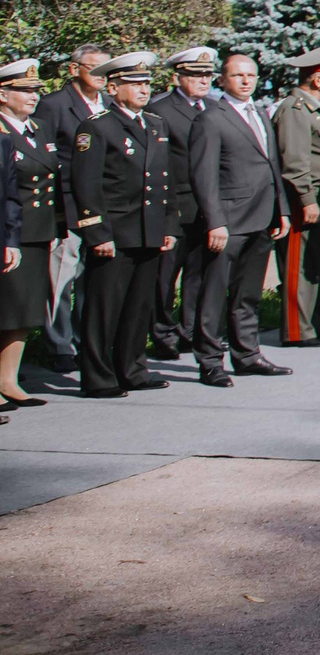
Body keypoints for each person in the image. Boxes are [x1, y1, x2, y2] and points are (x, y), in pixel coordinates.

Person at [66, 51, 178, 398]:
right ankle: (98, 377)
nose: (144, 89)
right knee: (103, 309)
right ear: (113, 88)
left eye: (146, 83)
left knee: (138, 306)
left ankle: (132, 369)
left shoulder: (156, 124)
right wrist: (96, 232)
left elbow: (165, 180)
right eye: (135, 83)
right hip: (114, 233)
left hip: (148, 230)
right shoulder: (97, 127)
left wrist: (169, 226)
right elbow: (86, 184)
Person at [190, 52, 292, 387]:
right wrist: (214, 221)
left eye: (251, 75)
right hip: (229, 222)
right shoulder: (211, 118)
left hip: (262, 217)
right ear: (223, 80)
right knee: (214, 294)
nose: (246, 81)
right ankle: (210, 362)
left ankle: (247, 355)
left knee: (247, 294)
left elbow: (271, 164)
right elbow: (204, 176)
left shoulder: (260, 113)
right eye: (238, 76)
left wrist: (282, 210)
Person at [31, 43, 108, 367]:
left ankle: (86, 342)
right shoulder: (54, 105)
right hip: (67, 207)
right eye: (95, 69)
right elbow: (44, 158)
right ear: (75, 69)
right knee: (61, 278)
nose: (102, 76)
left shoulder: (109, 104)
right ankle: (59, 346)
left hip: (104, 208)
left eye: (107, 70)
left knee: (93, 281)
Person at [144, 46, 218, 362]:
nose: (203, 80)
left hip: (206, 205)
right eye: (195, 74)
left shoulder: (214, 108)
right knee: (164, 276)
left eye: (207, 74)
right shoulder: (160, 110)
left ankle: (189, 331)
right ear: (178, 77)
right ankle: (162, 335)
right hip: (174, 204)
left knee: (198, 274)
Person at [271, 47, 320, 345]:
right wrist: (307, 199)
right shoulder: (295, 109)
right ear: (317, 78)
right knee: (298, 266)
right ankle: (296, 330)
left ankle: (315, 321)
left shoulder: (313, 107)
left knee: (315, 264)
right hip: (305, 200)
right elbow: (295, 160)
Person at [0, 57, 61, 409]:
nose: (33, 96)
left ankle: (9, 380)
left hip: (37, 232)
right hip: (11, 232)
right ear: (3, 94)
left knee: (23, 311)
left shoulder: (38, 128)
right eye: (24, 90)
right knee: (4, 310)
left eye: (36, 90)